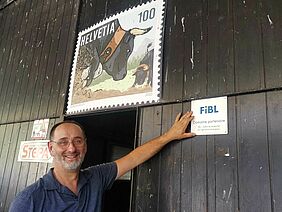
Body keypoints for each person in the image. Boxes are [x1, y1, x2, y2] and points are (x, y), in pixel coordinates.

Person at [9, 111, 195, 212]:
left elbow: (134, 157)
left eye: (78, 141)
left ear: (85, 146)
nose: (72, 148)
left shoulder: (96, 177)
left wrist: (168, 137)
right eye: (63, 142)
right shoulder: (29, 199)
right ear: (51, 148)